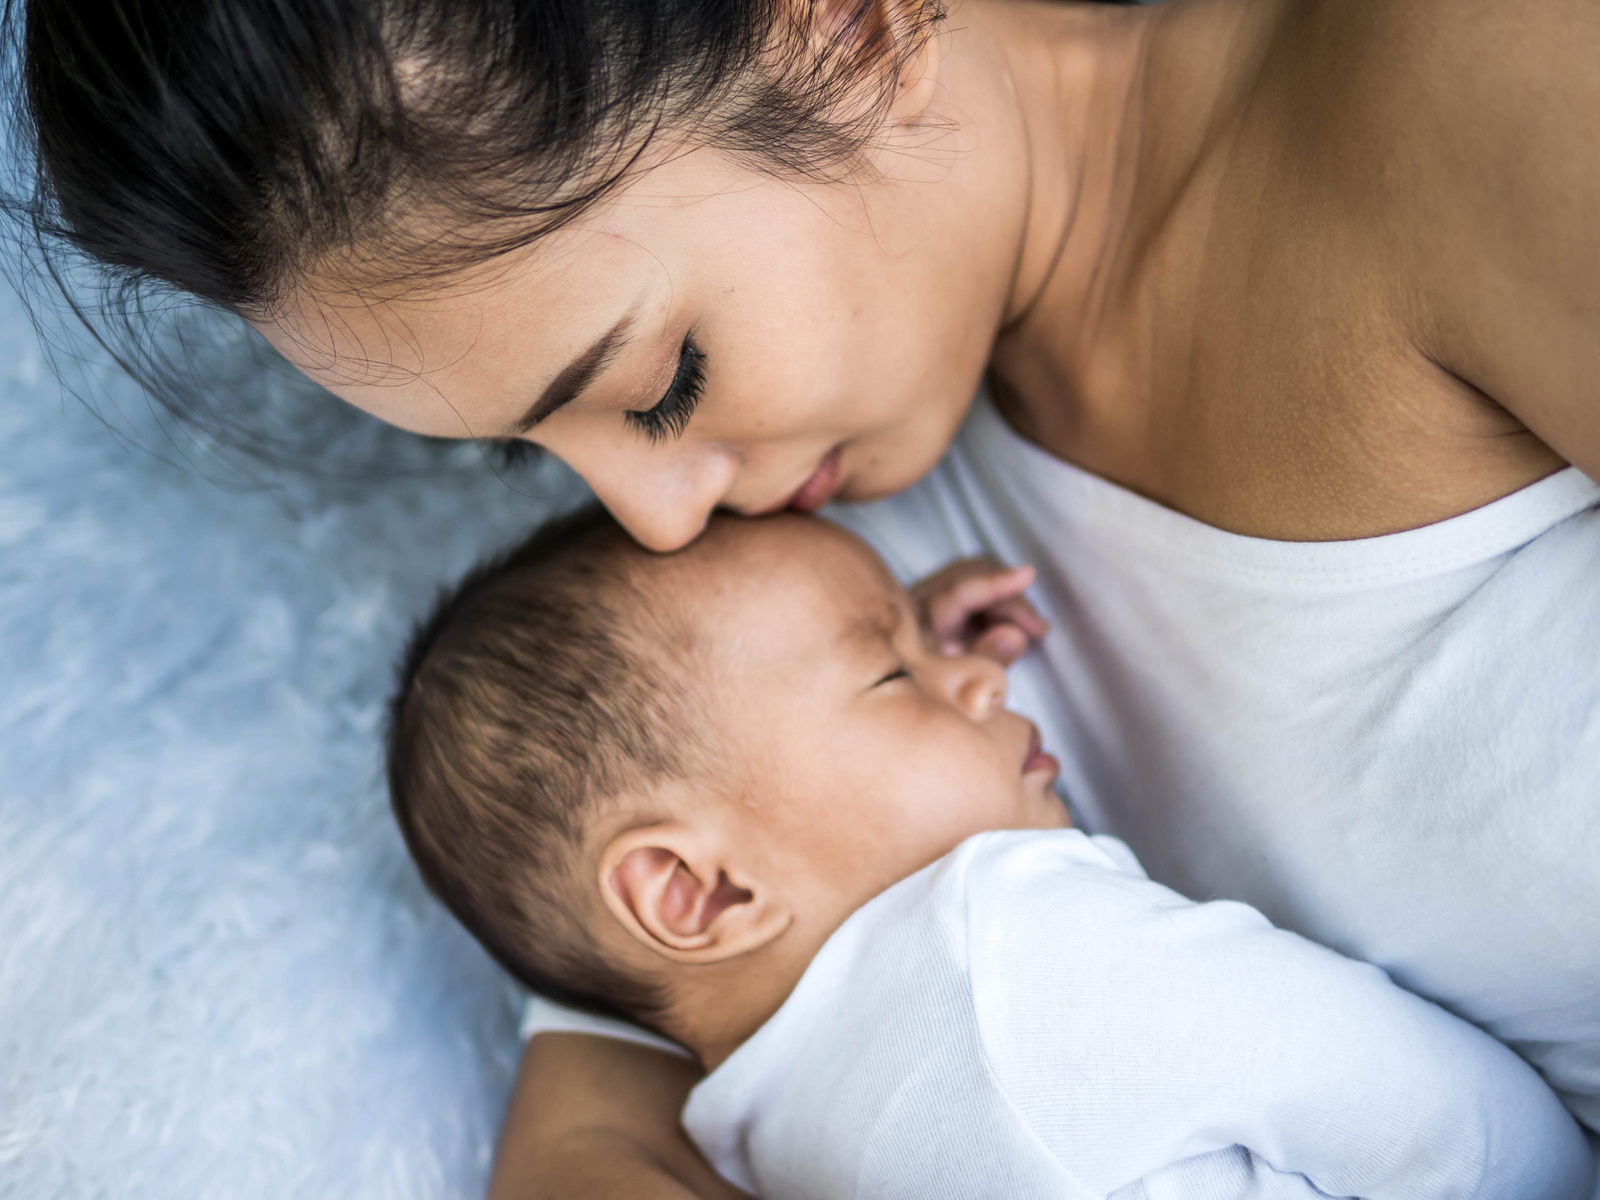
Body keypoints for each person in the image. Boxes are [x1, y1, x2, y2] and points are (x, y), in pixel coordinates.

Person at [17, 0, 1600, 1192]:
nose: (650, 512)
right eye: (526, 454)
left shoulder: (1478, 89)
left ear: (839, 29)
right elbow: (595, 1135)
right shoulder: (761, 602)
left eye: (656, 384)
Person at [387, 506, 1594, 1199]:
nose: (978, 672)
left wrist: (884, 671)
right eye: (896, 668)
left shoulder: (758, 1147)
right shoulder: (1017, 944)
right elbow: (1425, 1114)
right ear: (699, 889)